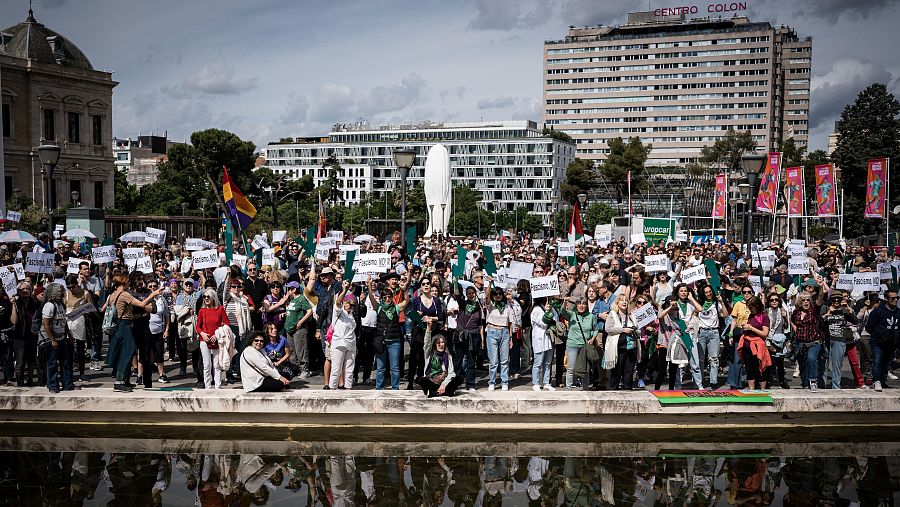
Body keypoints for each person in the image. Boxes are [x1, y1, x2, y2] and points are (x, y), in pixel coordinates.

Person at [103, 273, 161, 393]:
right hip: (125, 326)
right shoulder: (124, 294)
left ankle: (124, 381)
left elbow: (103, 309)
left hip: (119, 326)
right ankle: (119, 383)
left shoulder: (112, 295)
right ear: (124, 282)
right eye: (128, 281)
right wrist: (153, 294)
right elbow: (141, 304)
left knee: (125, 353)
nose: (129, 283)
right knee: (126, 353)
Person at [369, 277, 409, 390]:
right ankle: (379, 388)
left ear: (392, 297)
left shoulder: (396, 308)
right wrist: (369, 286)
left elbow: (406, 301)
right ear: (382, 298)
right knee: (381, 368)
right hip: (382, 341)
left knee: (395, 368)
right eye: (385, 297)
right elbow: (371, 298)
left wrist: (404, 289)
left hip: (394, 341)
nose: (387, 299)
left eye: (389, 297)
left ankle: (395, 388)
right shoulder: (378, 308)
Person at [820, 291, 860, 390]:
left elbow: (856, 321)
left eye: (839, 299)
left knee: (837, 365)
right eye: (834, 299)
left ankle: (836, 387)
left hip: (840, 340)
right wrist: (827, 314)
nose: (836, 301)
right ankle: (822, 386)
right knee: (824, 364)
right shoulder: (825, 308)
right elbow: (819, 322)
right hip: (826, 340)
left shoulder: (845, 310)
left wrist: (849, 309)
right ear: (831, 300)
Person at [39, 283, 74, 393]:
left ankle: (68, 384)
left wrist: (69, 335)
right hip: (52, 340)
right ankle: (53, 386)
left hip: (62, 338)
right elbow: (46, 324)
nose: (64, 293)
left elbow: (64, 321)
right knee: (52, 363)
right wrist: (52, 340)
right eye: (62, 291)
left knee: (66, 362)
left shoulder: (61, 304)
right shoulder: (49, 306)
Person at [483, 277, 516, 391]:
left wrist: (511, 338)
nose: (497, 296)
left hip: (505, 332)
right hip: (492, 331)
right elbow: (486, 297)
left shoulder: (507, 307)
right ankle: (491, 382)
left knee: (504, 360)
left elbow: (510, 323)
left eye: (499, 294)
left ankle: (504, 381)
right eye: (495, 294)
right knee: (493, 360)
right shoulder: (490, 305)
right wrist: (490, 283)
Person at [561, 298, 600, 390]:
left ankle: (585, 387)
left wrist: (593, 338)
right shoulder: (572, 314)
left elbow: (595, 329)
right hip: (573, 344)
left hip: (584, 345)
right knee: (571, 367)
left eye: (583, 304)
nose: (581, 306)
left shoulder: (591, 317)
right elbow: (563, 312)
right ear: (576, 305)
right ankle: (569, 387)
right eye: (579, 304)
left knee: (585, 368)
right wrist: (564, 303)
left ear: (586, 306)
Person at [865, 288, 900, 392]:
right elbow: (869, 327)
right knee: (877, 361)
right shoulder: (878, 312)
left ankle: (883, 381)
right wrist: (879, 335)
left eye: (897, 298)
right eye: (892, 298)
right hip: (878, 342)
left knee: (887, 363)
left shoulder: (898, 312)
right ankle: (876, 381)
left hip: (892, 343)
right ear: (886, 299)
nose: (895, 300)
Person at [195, 289, 230, 389]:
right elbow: (198, 326)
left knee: (216, 364)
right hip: (204, 340)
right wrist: (202, 333)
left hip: (217, 339)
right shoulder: (202, 310)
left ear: (213, 297)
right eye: (204, 297)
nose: (206, 298)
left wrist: (217, 334)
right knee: (206, 365)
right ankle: (207, 386)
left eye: (208, 296)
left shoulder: (220, 309)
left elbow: (227, 324)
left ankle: (218, 386)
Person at [419, 321, 464, 397]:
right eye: (438, 343)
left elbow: (451, 373)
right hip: (432, 382)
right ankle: (445, 392)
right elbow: (427, 343)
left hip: (444, 383)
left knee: (459, 378)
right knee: (422, 380)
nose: (441, 345)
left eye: (442, 342)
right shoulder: (429, 354)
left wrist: (443, 385)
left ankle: (436, 393)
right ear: (434, 345)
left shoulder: (448, 356)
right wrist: (428, 328)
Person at [791, 294, 825, 392]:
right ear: (800, 302)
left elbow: (820, 299)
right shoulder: (796, 312)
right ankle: (805, 384)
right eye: (803, 300)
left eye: (808, 300)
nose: (806, 302)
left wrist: (820, 288)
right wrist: (796, 330)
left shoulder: (814, 311)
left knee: (811, 359)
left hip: (814, 342)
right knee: (802, 365)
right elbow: (792, 320)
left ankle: (813, 381)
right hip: (800, 343)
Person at [604, 296, 639, 390]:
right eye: (622, 300)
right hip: (618, 346)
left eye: (626, 301)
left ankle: (628, 390)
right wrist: (623, 330)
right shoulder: (613, 314)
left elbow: (638, 328)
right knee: (617, 370)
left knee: (629, 371)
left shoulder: (631, 315)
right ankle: (613, 390)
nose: (624, 302)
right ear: (617, 303)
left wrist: (635, 331)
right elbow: (608, 329)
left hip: (631, 345)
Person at [736, 296, 771, 390]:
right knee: (749, 369)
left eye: (751, 307)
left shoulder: (764, 316)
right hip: (747, 346)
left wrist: (751, 328)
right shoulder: (751, 315)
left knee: (760, 369)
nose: (750, 310)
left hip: (758, 346)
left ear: (757, 306)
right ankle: (751, 389)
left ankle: (763, 390)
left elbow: (765, 334)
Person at [329, 280, 358, 390]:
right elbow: (337, 302)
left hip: (351, 344)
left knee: (349, 370)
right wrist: (345, 289)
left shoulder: (352, 315)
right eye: (347, 302)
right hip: (339, 344)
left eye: (350, 302)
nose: (348, 304)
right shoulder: (338, 312)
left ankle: (348, 390)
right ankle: (332, 391)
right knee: (336, 369)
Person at [64, 274, 92, 383]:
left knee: (80, 349)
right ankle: (69, 372)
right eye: (69, 287)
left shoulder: (85, 293)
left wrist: (83, 311)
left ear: (77, 284)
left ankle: (82, 373)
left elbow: (90, 307)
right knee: (69, 349)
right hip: (68, 323)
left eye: (73, 287)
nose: (71, 289)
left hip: (80, 322)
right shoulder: (66, 294)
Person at [283, 280, 314, 379]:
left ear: (294, 289)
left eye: (290, 288)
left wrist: (301, 322)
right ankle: (295, 369)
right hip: (289, 328)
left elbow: (309, 311)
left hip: (299, 329)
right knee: (291, 350)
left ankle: (304, 370)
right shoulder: (291, 300)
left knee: (301, 350)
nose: (288, 290)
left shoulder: (301, 299)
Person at [529, 296, 556, 391]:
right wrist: (548, 313)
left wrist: (550, 311)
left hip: (548, 338)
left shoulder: (549, 308)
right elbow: (543, 323)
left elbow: (555, 319)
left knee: (548, 362)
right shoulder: (536, 309)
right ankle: (535, 382)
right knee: (538, 362)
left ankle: (546, 382)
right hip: (539, 338)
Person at [765, 293, 791, 389]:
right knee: (768, 362)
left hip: (779, 340)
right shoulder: (766, 311)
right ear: (769, 302)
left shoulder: (783, 311)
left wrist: (785, 317)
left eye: (776, 299)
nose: (774, 301)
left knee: (780, 363)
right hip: (768, 339)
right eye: (772, 300)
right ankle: (766, 381)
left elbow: (786, 327)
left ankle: (781, 382)